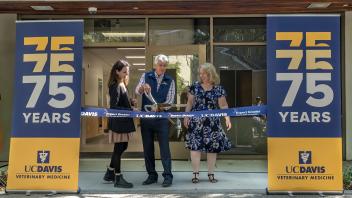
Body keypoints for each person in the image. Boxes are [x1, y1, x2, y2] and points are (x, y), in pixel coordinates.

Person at [183, 63, 232, 184]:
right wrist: (186, 116)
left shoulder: (218, 88)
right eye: (200, 73)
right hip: (196, 121)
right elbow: (189, 103)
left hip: (212, 122)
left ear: (210, 74)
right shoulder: (195, 86)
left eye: (204, 73)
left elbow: (223, 105)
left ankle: (211, 174)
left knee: (212, 148)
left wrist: (227, 118)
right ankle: (195, 174)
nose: (202, 76)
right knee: (195, 148)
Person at [135, 54, 175, 187]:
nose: (162, 68)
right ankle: (151, 175)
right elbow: (137, 91)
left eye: (164, 65)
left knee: (164, 148)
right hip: (146, 120)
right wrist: (143, 87)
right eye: (160, 65)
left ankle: (168, 176)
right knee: (148, 148)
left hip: (162, 119)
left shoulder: (170, 80)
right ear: (155, 65)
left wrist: (159, 107)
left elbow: (169, 101)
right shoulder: (146, 76)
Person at [103, 60, 136, 188]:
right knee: (118, 149)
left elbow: (121, 102)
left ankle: (110, 173)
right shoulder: (115, 85)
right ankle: (118, 178)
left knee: (122, 147)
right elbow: (114, 107)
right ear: (117, 72)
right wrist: (130, 109)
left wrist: (130, 102)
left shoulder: (122, 83)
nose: (126, 74)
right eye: (124, 72)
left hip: (123, 122)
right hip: (118, 123)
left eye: (127, 72)